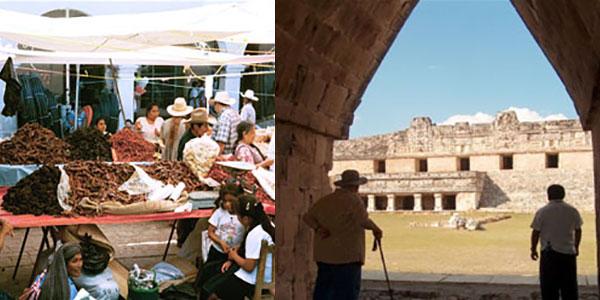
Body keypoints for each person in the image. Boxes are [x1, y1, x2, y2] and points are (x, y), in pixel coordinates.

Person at [303, 169, 383, 300]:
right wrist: (376, 229)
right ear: (356, 186)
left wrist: (318, 228)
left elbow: (307, 217)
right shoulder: (353, 200)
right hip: (347, 256)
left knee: (324, 291)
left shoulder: (326, 200)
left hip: (325, 255)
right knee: (347, 293)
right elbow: (363, 220)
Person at [203, 195, 275, 300]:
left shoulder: (255, 234)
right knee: (217, 275)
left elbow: (249, 267)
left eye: (238, 215)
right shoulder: (266, 225)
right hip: (266, 273)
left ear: (245, 218)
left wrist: (234, 256)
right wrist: (236, 253)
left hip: (255, 279)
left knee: (212, 292)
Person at [530, 184, 583, 300]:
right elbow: (578, 230)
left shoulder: (542, 211)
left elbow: (536, 232)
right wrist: (576, 246)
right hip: (568, 253)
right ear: (563, 195)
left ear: (548, 195)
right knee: (569, 287)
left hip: (549, 253)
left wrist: (533, 249)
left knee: (549, 287)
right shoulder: (572, 210)